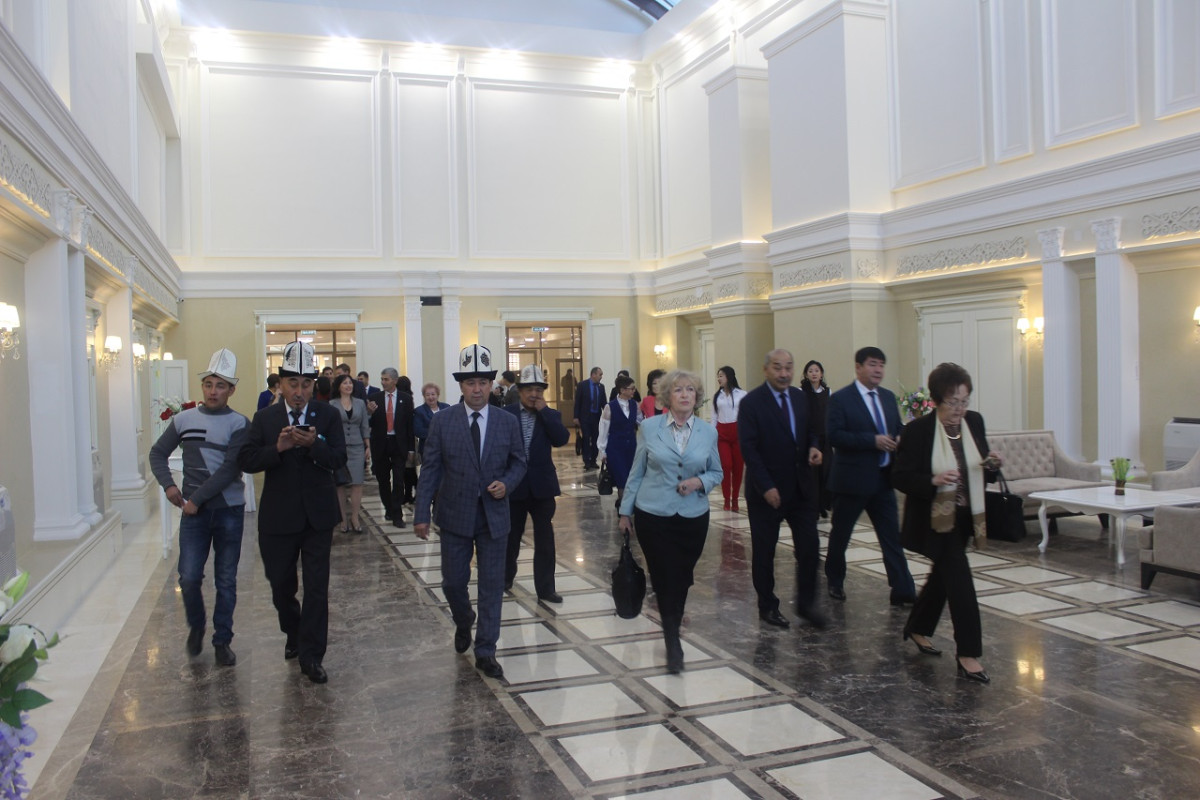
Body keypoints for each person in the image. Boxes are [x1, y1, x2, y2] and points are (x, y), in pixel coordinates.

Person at [414, 344, 527, 680]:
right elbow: (430, 468)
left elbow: (519, 462)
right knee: (453, 582)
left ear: (491, 385)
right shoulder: (443, 421)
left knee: (492, 585)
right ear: (460, 386)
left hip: (494, 517)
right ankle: (464, 620)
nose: (477, 389)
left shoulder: (507, 422)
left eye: (483, 382)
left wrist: (507, 483)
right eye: (470, 383)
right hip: (454, 514)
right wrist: (421, 513)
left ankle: (486, 650)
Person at [239, 340, 347, 684]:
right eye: (293, 384)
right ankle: (293, 629)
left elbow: (339, 459)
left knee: (316, 587)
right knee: (280, 584)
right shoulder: (265, 418)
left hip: (318, 516)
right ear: (281, 384)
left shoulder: (327, 415)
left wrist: (314, 445)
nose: (299, 392)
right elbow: (247, 460)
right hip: (278, 517)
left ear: (313, 385)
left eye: (306, 384)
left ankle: (312, 655)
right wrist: (278, 447)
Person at [892, 362, 1002, 684]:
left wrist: (992, 465)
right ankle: (968, 653)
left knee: (942, 577)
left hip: (966, 516)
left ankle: (917, 627)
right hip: (935, 521)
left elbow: (982, 469)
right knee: (960, 582)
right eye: (953, 402)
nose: (960, 409)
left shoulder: (974, 422)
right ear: (937, 400)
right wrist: (934, 480)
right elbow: (900, 477)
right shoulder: (918, 431)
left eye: (964, 401)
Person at [149, 348, 249, 667]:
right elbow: (157, 453)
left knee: (226, 579)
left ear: (231, 390)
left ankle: (222, 640)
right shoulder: (183, 419)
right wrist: (169, 485)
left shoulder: (240, 423)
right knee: (189, 577)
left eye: (220, 386)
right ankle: (197, 625)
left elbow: (230, 469)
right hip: (195, 514)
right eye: (208, 384)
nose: (213, 391)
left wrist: (196, 499)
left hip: (228, 510)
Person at [619, 369, 722, 674]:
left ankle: (674, 620)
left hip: (693, 517)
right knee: (664, 576)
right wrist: (625, 512)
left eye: (690, 390)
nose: (685, 394)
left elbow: (716, 472)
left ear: (697, 396)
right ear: (667, 396)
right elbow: (637, 471)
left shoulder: (708, 432)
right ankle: (672, 640)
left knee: (683, 577)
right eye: (678, 390)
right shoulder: (650, 428)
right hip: (654, 515)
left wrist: (698, 482)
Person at [738, 349, 826, 629]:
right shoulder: (751, 403)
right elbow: (749, 449)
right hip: (766, 492)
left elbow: (812, 430)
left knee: (810, 547)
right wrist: (766, 486)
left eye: (789, 367)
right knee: (765, 553)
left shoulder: (800, 398)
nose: (784, 373)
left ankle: (807, 604)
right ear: (766, 370)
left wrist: (814, 447)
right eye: (778, 367)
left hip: (801, 488)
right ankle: (767, 605)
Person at [825, 347, 917, 606]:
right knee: (841, 535)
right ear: (858, 367)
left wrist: (900, 437)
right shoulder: (841, 399)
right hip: (851, 482)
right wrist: (872, 441)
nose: (878, 370)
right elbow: (834, 436)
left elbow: (897, 428)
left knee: (891, 538)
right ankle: (835, 580)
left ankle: (903, 589)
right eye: (873, 364)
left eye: (881, 365)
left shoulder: (887, 397)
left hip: (883, 480)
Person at [503, 365, 570, 601]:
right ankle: (505, 579)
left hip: (542, 487)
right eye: (529, 389)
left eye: (538, 390)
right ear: (520, 391)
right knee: (510, 537)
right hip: (514, 486)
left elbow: (561, 439)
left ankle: (546, 588)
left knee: (545, 541)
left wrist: (544, 412)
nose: (534, 394)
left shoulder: (551, 415)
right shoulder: (506, 414)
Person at [367, 368, 415, 527]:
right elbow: (368, 423)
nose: (383, 382)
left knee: (399, 480)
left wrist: (411, 449)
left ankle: (397, 514)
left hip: (398, 444)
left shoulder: (406, 399)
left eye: (386, 379)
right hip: (381, 444)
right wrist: (369, 413)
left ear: (395, 380)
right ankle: (388, 508)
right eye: (382, 379)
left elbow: (409, 425)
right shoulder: (374, 398)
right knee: (383, 480)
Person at [331, 373, 370, 533]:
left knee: (357, 483)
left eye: (350, 383)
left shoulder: (360, 403)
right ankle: (342, 519)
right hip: (339, 447)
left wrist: (367, 445)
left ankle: (354, 517)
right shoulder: (332, 404)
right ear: (339, 386)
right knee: (340, 484)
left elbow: (364, 425)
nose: (348, 386)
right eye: (345, 383)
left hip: (357, 447)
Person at [598, 374, 643, 510]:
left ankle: (626, 504)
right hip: (615, 448)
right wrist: (602, 450)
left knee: (631, 477)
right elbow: (603, 430)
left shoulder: (635, 405)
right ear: (622, 390)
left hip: (631, 448)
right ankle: (624, 507)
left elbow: (642, 423)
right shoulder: (610, 407)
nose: (634, 391)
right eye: (631, 389)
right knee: (621, 479)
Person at [710, 366, 747, 512]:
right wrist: (711, 435)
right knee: (726, 465)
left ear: (729, 376)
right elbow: (714, 417)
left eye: (721, 376)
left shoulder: (742, 394)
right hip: (722, 434)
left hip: (738, 433)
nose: (719, 379)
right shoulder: (717, 397)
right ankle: (726, 498)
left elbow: (747, 415)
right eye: (718, 376)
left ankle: (735, 498)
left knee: (738, 467)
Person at [800, 360, 832, 516]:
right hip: (809, 438)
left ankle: (822, 505)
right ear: (806, 374)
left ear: (821, 374)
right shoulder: (801, 392)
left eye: (817, 370)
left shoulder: (828, 392)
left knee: (825, 471)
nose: (814, 373)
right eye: (810, 371)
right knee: (812, 474)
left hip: (825, 437)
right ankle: (812, 505)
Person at [572, 366, 605, 469]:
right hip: (585, 417)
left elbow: (604, 402)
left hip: (596, 417)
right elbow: (578, 402)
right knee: (586, 438)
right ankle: (586, 460)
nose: (601, 377)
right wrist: (575, 417)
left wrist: (609, 413)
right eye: (600, 374)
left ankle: (593, 460)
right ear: (593, 374)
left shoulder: (601, 387)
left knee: (595, 438)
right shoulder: (582, 385)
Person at [397, 375, 420, 504]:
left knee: (407, 470)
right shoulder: (409, 398)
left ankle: (408, 493)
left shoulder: (404, 399)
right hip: (410, 438)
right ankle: (412, 492)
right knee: (410, 470)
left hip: (406, 439)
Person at [415, 382, 451, 455]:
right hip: (427, 450)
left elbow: (451, 426)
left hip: (446, 449)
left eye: (433, 394)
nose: (430, 397)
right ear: (424, 396)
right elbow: (418, 431)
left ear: (438, 395)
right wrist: (438, 432)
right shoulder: (419, 411)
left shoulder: (446, 407)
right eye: (427, 395)